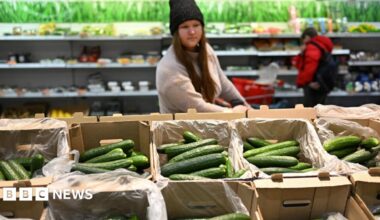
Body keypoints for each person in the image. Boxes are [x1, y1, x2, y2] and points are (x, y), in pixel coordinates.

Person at [156, 0, 249, 113]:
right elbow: (196, 107)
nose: (192, 32)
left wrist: (245, 106)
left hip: (206, 124)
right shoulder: (169, 68)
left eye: (196, 25)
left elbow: (223, 83)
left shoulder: (206, 50)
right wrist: (233, 113)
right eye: (185, 27)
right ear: (176, 33)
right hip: (180, 129)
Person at [293, 27, 334, 107]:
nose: (303, 42)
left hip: (314, 84)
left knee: (310, 110)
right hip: (321, 82)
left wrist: (307, 82)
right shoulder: (320, 45)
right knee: (319, 108)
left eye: (303, 39)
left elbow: (310, 67)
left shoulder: (312, 47)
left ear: (307, 37)